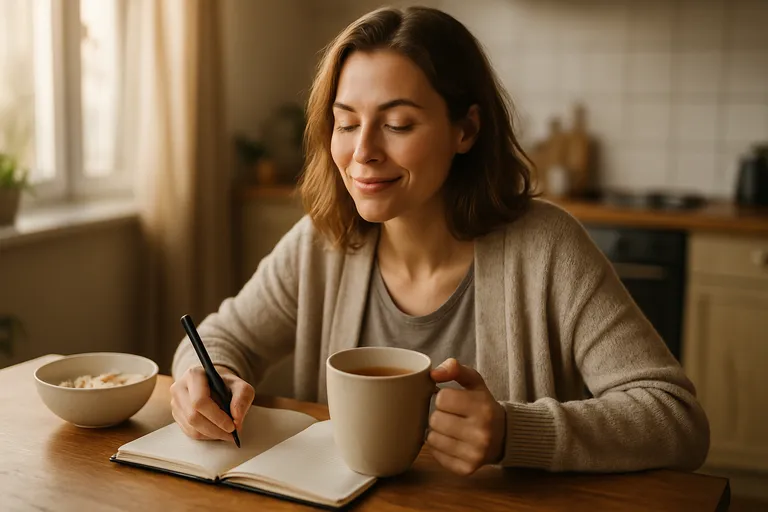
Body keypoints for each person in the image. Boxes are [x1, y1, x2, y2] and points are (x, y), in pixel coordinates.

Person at [170, 6, 709, 476]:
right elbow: (220, 339)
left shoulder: (547, 246)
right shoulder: (322, 241)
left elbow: (676, 419)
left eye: (399, 124)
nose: (364, 152)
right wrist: (205, 379)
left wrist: (511, 432)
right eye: (346, 123)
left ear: (466, 130)